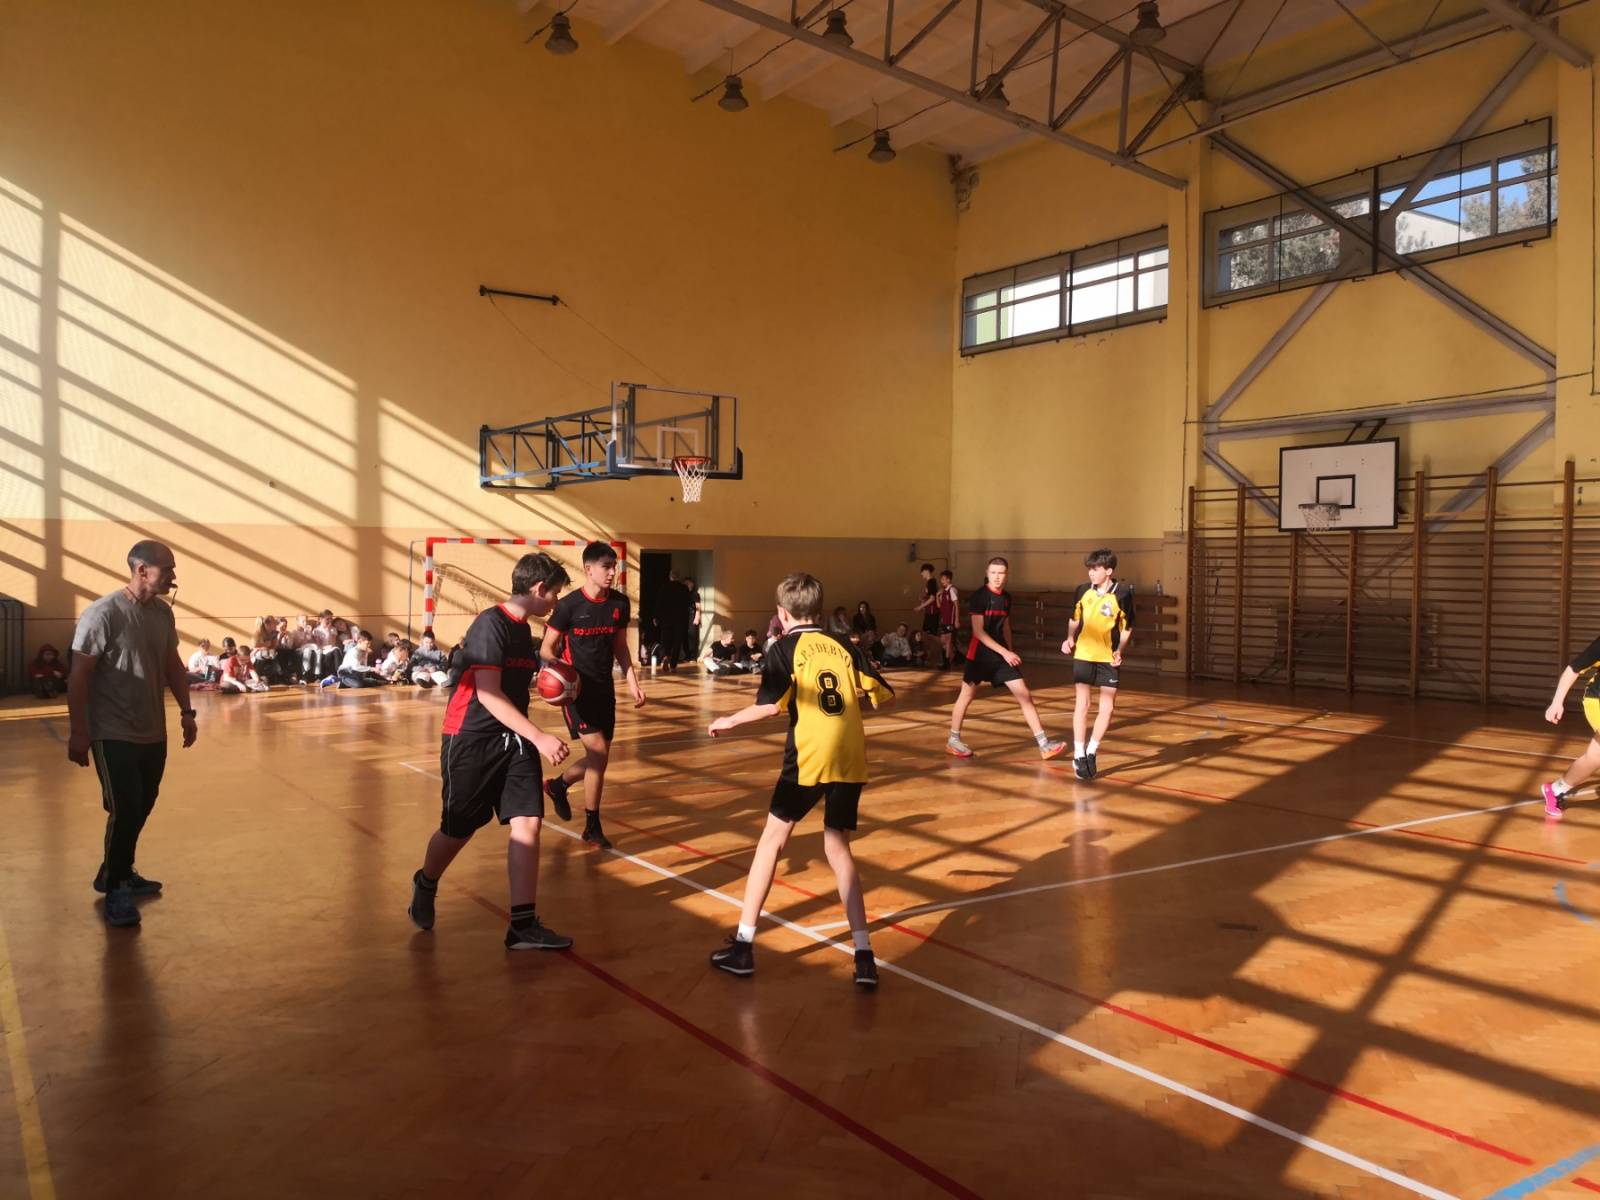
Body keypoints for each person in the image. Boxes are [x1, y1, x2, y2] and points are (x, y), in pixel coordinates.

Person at [705, 572, 891, 987]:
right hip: (850, 756)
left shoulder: (783, 648)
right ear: (819, 612)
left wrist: (729, 719)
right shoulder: (845, 644)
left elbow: (771, 707)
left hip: (809, 757)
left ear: (782, 614)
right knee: (838, 847)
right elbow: (879, 695)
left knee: (771, 842)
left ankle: (743, 947)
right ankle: (864, 956)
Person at [408, 552, 574, 949]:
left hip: (513, 740)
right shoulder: (490, 624)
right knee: (459, 828)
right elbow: (488, 694)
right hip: (471, 737)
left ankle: (522, 926)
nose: (555, 601)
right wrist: (540, 737)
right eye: (554, 593)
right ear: (538, 588)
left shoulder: (523, 630)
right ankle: (426, 882)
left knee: (528, 822)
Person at [66, 540, 197, 926]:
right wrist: (78, 732)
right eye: (167, 568)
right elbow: (79, 676)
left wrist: (187, 711)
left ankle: (115, 868)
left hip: (152, 729)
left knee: (143, 803)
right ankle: (117, 887)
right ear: (143, 570)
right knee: (125, 807)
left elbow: (173, 664)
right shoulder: (102, 614)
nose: (173, 576)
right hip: (111, 730)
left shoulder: (162, 614)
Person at [540, 542, 647, 851]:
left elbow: (620, 647)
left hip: (604, 689)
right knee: (598, 754)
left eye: (615, 567)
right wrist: (558, 668)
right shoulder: (568, 606)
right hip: (575, 691)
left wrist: (633, 682)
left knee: (598, 759)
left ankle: (558, 785)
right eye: (606, 567)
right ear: (589, 569)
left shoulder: (620, 603)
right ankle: (592, 827)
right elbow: (546, 648)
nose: (613, 572)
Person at [947, 557, 1066, 761]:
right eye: (993, 572)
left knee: (1025, 695)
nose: (997, 577)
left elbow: (1005, 627)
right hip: (979, 656)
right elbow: (978, 631)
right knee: (966, 696)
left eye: (1001, 573)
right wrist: (1005, 652)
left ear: (1007, 575)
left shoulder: (1006, 598)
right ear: (987, 573)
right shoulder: (979, 596)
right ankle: (953, 740)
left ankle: (1044, 745)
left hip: (1001, 657)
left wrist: (1010, 651)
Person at [1062, 549, 1135, 781]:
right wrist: (1070, 637)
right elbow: (1074, 618)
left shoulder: (1122, 595)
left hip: (1108, 658)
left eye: (1096, 569)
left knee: (1108, 708)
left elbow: (1127, 627)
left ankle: (1092, 751)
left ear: (1109, 571)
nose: (1091, 573)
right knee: (1083, 704)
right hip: (1084, 654)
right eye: (1089, 569)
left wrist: (1119, 650)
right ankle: (1079, 753)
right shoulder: (1082, 590)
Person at [1540, 632, 1600, 817]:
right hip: (1597, 700)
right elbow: (1573, 669)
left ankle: (1556, 789)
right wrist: (1557, 702)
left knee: (1595, 758)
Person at [655, 570, 691, 669]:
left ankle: (665, 656)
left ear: (670, 577)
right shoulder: (684, 588)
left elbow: (659, 603)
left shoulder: (664, 588)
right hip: (680, 619)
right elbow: (688, 603)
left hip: (666, 618)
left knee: (665, 640)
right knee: (677, 642)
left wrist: (656, 616)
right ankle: (673, 664)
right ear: (679, 577)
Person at [913, 563, 940, 659]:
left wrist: (920, 606)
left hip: (932, 612)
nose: (921, 574)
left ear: (926, 571)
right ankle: (928, 655)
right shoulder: (930, 582)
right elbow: (930, 596)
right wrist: (924, 598)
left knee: (930, 634)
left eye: (922, 572)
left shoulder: (931, 582)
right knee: (926, 634)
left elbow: (932, 598)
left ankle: (946, 646)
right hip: (929, 611)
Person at [936, 570, 960, 668]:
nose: (941, 580)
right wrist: (937, 596)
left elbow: (956, 605)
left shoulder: (952, 590)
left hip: (951, 619)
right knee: (942, 640)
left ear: (948, 579)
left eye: (943, 578)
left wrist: (957, 620)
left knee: (948, 638)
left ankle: (947, 662)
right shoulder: (943, 591)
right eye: (941, 578)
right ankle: (957, 655)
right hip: (945, 619)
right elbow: (939, 606)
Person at [685, 576, 704, 662]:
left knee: (692, 635)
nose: (686, 585)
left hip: (692, 615)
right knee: (685, 636)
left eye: (687, 583)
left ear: (692, 584)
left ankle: (693, 656)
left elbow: (698, 606)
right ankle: (687, 655)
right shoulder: (684, 593)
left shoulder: (695, 594)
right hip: (685, 615)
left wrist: (697, 617)